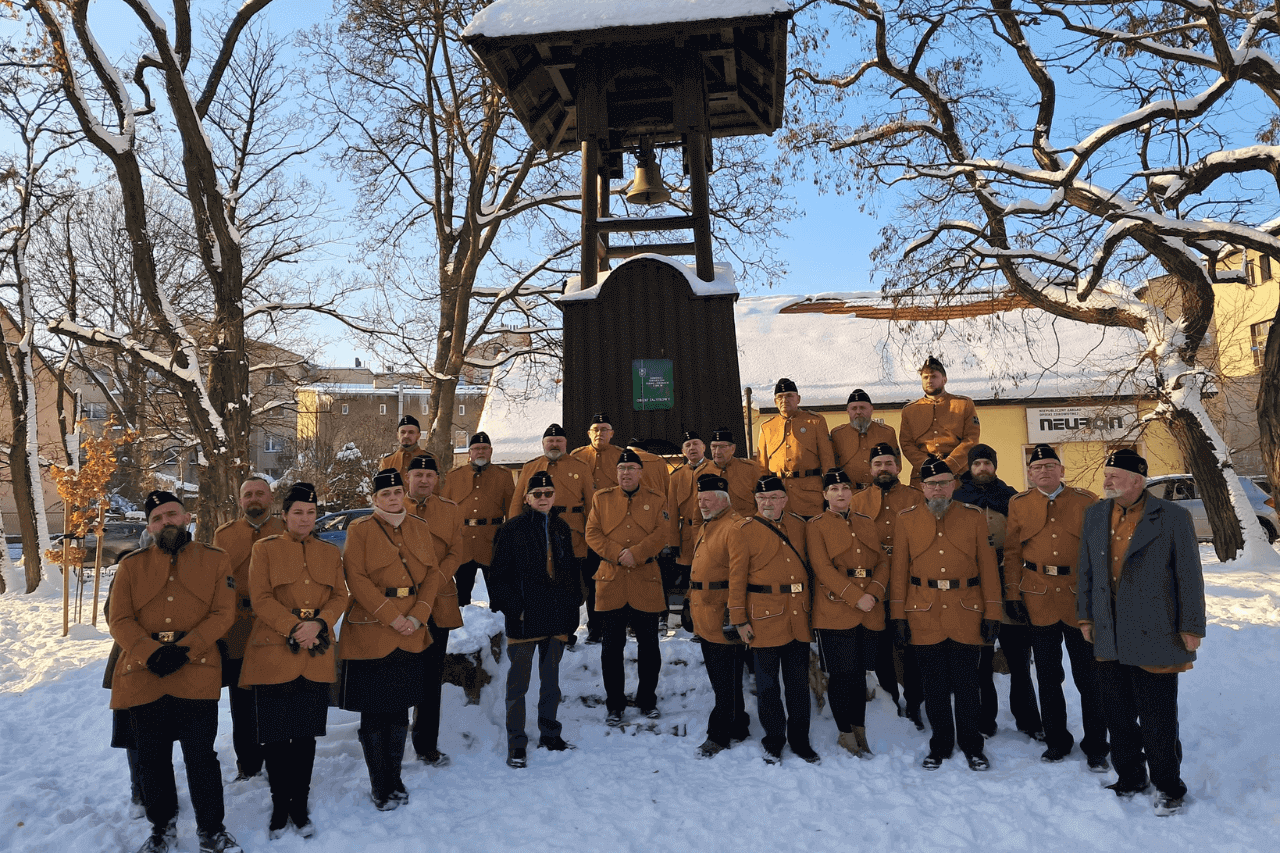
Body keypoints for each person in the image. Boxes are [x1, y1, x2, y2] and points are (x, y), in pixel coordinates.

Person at [108, 491, 239, 853]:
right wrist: (150, 653)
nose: (165, 522)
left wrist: (187, 649)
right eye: (157, 518)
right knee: (152, 759)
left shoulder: (215, 560)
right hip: (144, 673)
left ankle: (212, 830)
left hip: (196, 671)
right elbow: (118, 619)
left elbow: (223, 613)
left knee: (201, 757)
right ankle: (161, 829)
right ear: (149, 527)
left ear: (186, 517)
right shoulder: (132, 566)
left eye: (171, 514)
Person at [1077, 448, 1205, 816]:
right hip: (1108, 631)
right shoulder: (1096, 514)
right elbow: (1085, 571)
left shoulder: (1173, 517)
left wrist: (1192, 626)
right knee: (1116, 714)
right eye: (1107, 475)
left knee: (1158, 717)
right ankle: (1131, 776)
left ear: (1137, 479)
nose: (1107, 481)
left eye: (1114, 475)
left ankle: (1169, 787)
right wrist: (1085, 617)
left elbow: (1189, 577)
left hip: (1157, 631)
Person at [239, 482, 348, 839]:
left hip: (315, 650)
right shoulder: (265, 549)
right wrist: (294, 627)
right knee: (274, 735)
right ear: (284, 516)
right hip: (274, 649)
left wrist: (318, 623)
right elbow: (261, 597)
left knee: (304, 735)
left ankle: (299, 804)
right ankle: (279, 803)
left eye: (311, 513)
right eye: (298, 512)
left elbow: (339, 596)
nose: (304, 519)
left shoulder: (330, 553)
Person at [338, 468, 447, 811]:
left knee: (399, 711)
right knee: (374, 713)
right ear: (374, 499)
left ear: (404, 495)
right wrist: (392, 616)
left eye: (397, 492)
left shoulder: (419, 527)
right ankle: (379, 783)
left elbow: (432, 575)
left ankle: (395, 777)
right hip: (372, 630)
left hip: (411, 630)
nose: (393, 498)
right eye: (385, 494)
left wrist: (419, 615)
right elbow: (355, 578)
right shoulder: (361, 529)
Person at [889, 457, 1002, 771]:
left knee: (968, 684)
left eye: (943, 482)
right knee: (933, 686)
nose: (937, 489)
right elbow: (898, 571)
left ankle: (972, 745)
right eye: (931, 484)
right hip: (922, 611)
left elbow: (988, 568)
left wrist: (993, 611)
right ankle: (940, 744)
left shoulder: (974, 516)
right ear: (921, 488)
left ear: (954, 485)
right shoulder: (906, 519)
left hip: (967, 609)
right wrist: (898, 615)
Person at [1003, 444, 1109, 770]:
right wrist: (1012, 595)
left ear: (1062, 471)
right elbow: (1011, 554)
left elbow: (1102, 552)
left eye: (1051, 465)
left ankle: (1095, 745)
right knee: (1048, 678)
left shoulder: (1086, 501)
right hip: (1038, 599)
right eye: (1038, 467)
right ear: (1030, 473)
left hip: (1079, 600)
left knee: (1089, 678)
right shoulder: (1019, 504)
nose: (1045, 471)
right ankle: (1057, 741)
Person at [488, 471, 583, 768]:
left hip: (555, 619)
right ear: (527, 498)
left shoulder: (562, 527)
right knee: (518, 685)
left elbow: (569, 575)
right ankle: (516, 743)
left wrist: (572, 611)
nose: (543, 498)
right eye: (537, 494)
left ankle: (550, 733)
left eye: (548, 493)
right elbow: (497, 577)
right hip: (525, 619)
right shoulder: (511, 529)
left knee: (551, 683)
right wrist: (514, 608)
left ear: (554, 497)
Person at [952, 444, 1042, 741]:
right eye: (977, 464)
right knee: (981, 661)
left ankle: (1028, 720)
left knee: (1019, 660)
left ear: (995, 465)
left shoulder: (1012, 497)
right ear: (970, 466)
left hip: (1010, 584)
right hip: (975, 588)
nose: (982, 468)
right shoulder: (957, 498)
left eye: (987, 463)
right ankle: (983, 720)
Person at [729, 475, 818, 765]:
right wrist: (739, 620)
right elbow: (736, 578)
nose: (769, 503)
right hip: (763, 618)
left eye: (775, 497)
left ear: (785, 499)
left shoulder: (800, 526)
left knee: (798, 685)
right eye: (763, 498)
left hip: (797, 617)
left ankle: (801, 740)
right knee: (767, 686)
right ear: (756, 500)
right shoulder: (742, 529)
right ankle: (774, 740)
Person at [585, 449, 671, 725]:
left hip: (645, 580)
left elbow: (663, 532)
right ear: (616, 472)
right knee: (611, 649)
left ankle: (647, 699)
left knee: (649, 646)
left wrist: (638, 553)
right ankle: (615, 704)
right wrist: (617, 553)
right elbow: (592, 533)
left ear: (641, 472)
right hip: (611, 582)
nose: (626, 473)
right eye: (622, 469)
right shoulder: (602, 498)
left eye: (632, 468)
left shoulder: (656, 499)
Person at [807, 468, 888, 758]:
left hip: (869, 609)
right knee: (841, 675)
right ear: (825, 495)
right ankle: (845, 734)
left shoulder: (866, 522)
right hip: (835, 609)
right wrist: (856, 597)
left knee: (858, 675)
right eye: (834, 489)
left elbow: (882, 562)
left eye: (845, 488)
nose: (840, 493)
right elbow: (822, 567)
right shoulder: (815, 525)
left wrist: (874, 593)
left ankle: (860, 730)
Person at [212, 476, 285, 782]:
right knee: (242, 703)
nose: (254, 498)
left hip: (277, 624)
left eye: (260, 493)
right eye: (248, 494)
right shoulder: (225, 535)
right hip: (240, 626)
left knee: (276, 696)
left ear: (271, 498)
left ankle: (278, 759)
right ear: (240, 501)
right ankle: (248, 763)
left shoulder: (285, 530)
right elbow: (217, 581)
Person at [849, 442, 923, 724]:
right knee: (881, 649)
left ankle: (916, 702)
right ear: (870, 469)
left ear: (899, 467)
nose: (883, 468)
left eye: (888, 463)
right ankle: (890, 700)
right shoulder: (858, 500)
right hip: (874, 585)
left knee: (912, 645)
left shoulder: (916, 496)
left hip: (910, 581)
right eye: (877, 464)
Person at [405, 454, 465, 767]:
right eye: (418, 475)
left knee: (431, 676)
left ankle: (427, 743)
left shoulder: (450, 510)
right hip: (402, 606)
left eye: (430, 475)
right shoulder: (394, 507)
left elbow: (457, 550)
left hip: (439, 601)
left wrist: (436, 581)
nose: (425, 480)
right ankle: (392, 741)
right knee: (400, 672)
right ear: (408, 478)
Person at [686, 473, 750, 758]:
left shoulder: (734, 528)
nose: (702, 504)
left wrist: (735, 615)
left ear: (723, 499)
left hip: (722, 613)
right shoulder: (708, 526)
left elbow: (738, 577)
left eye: (707, 499)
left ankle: (719, 734)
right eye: (700, 499)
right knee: (722, 678)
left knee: (725, 681)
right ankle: (738, 725)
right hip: (704, 612)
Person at [511, 424, 595, 640]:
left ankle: (567, 632)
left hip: (573, 537)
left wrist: (592, 536)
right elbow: (517, 502)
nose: (555, 445)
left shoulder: (581, 466)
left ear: (566, 444)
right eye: (550, 441)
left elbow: (591, 505)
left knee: (570, 587)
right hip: (538, 536)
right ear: (543, 443)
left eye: (559, 441)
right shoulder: (531, 467)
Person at [439, 431, 514, 606]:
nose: (480, 452)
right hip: (463, 542)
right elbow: (446, 511)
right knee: (461, 597)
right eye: (476, 449)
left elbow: (511, 510)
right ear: (469, 453)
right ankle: (460, 631)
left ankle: (498, 628)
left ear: (491, 451)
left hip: (493, 542)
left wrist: (510, 541)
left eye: (484, 448)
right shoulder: (454, 476)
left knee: (499, 596)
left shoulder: (503, 475)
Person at [756, 378, 835, 517]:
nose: (784, 400)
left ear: (798, 399)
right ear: (775, 402)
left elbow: (827, 460)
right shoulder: (766, 427)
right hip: (778, 496)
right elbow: (762, 467)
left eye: (789, 396)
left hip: (809, 497)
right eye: (780, 397)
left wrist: (831, 491)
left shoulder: (815, 421)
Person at [899, 356, 980, 484]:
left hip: (958, 475)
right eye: (925, 377)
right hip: (923, 475)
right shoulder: (909, 410)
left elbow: (971, 439)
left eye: (934, 376)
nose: (929, 380)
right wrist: (925, 463)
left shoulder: (963, 404)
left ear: (944, 379)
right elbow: (906, 443)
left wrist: (950, 464)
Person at [666, 431, 711, 625]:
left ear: (704, 447)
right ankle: (691, 616)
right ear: (683, 452)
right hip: (686, 536)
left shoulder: (716, 470)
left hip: (711, 533)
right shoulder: (676, 477)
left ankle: (708, 617)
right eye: (687, 445)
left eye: (695, 444)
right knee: (689, 577)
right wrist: (673, 542)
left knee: (710, 575)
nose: (692, 448)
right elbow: (672, 512)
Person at [830, 389, 900, 489]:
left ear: (871, 409)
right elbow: (832, 464)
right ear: (848, 411)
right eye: (854, 408)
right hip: (850, 493)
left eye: (862, 408)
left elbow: (897, 463)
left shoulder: (887, 432)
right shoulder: (837, 434)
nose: (858, 412)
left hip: (880, 491)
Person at [707, 427, 767, 517]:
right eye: (714, 447)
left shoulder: (750, 468)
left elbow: (763, 502)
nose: (717, 451)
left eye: (722, 447)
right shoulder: (703, 472)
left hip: (747, 524)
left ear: (733, 449)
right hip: (717, 527)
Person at [570, 412, 623, 490]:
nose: (599, 433)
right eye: (595, 430)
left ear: (611, 434)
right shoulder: (577, 455)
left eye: (604, 430)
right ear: (589, 434)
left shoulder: (621, 455)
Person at [380, 414, 432, 478]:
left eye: (411, 432)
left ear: (419, 436)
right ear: (397, 435)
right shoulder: (387, 461)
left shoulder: (431, 459)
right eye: (403, 432)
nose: (406, 436)